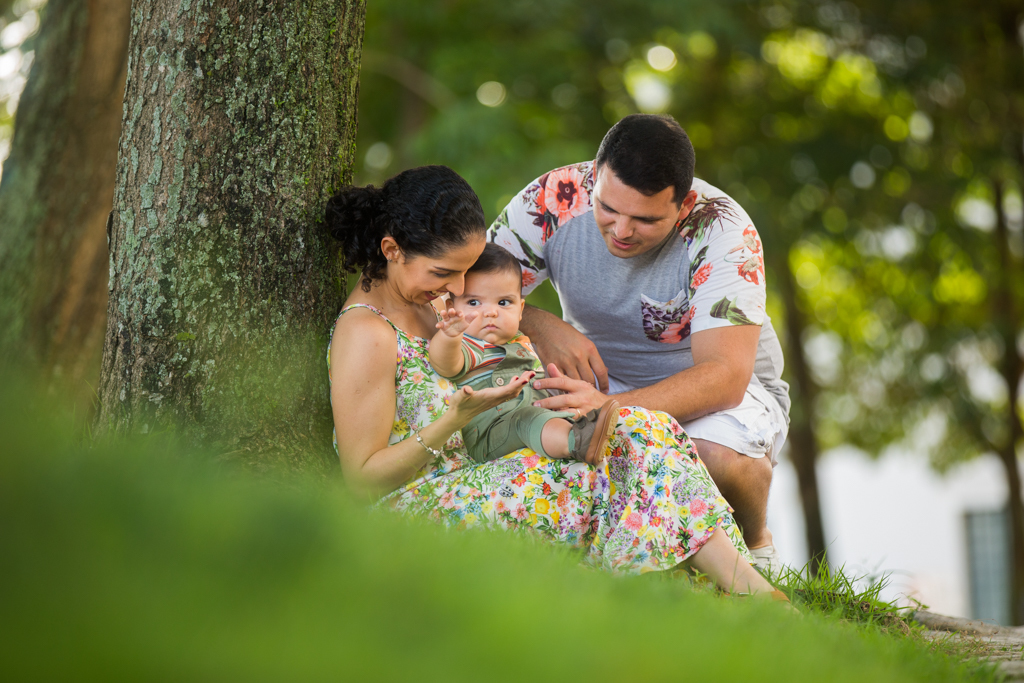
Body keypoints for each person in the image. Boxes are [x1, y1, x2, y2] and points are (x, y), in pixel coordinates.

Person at [325, 164, 787, 600]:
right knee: (608, 467)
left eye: (466, 271)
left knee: (640, 427)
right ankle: (694, 579)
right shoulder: (366, 334)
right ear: (392, 252)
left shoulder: (436, 299)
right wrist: (454, 419)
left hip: (491, 472)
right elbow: (362, 481)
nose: (459, 286)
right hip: (425, 507)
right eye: (446, 273)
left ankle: (752, 588)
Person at [488, 114, 791, 569]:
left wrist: (610, 411)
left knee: (705, 458)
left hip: (722, 393)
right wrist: (536, 321)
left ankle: (755, 542)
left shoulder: (725, 232)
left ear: (684, 204)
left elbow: (725, 377)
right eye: (607, 209)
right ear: (594, 175)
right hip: (600, 381)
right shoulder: (552, 199)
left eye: (645, 219)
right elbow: (462, 290)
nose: (622, 230)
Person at [428, 243, 619, 465]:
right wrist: (450, 336)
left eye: (503, 302)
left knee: (558, 413)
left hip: (535, 421)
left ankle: (583, 433)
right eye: (473, 302)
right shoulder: (468, 345)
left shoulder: (520, 342)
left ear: (520, 310)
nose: (491, 312)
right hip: (492, 435)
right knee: (526, 419)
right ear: (452, 307)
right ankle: (579, 443)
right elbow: (446, 364)